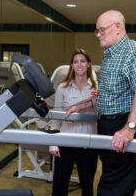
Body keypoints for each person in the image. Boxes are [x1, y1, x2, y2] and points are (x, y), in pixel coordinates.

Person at [66, 10, 136, 196]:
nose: (98, 34)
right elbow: (105, 91)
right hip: (108, 124)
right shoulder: (109, 55)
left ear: (117, 27)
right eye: (97, 31)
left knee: (112, 186)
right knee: (110, 175)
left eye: (101, 30)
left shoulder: (134, 49)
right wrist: (81, 105)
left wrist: (129, 128)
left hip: (126, 123)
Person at [49, 49, 98, 196]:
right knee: (59, 185)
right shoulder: (63, 88)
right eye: (75, 62)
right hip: (66, 142)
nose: (79, 64)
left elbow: (100, 107)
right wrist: (53, 143)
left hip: (88, 143)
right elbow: (56, 118)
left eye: (83, 61)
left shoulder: (96, 88)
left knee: (87, 185)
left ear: (88, 64)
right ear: (72, 65)